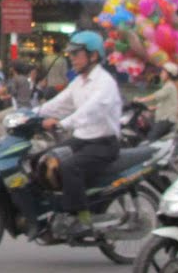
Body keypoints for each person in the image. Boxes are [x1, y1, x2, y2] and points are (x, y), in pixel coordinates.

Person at [36, 31, 123, 222]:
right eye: (71, 54)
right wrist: (32, 114)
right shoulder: (78, 82)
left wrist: (62, 123)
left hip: (103, 144)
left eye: (76, 54)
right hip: (81, 140)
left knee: (68, 165)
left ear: (93, 56)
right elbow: (59, 103)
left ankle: (81, 217)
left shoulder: (105, 83)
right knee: (42, 158)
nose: (72, 59)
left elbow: (89, 112)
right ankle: (53, 206)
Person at [145, 63, 178, 140]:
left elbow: (156, 95)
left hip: (167, 119)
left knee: (152, 137)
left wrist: (141, 99)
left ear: (169, 75)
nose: (161, 75)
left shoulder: (169, 86)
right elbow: (166, 103)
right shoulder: (168, 86)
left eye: (163, 73)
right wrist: (153, 107)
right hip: (165, 117)